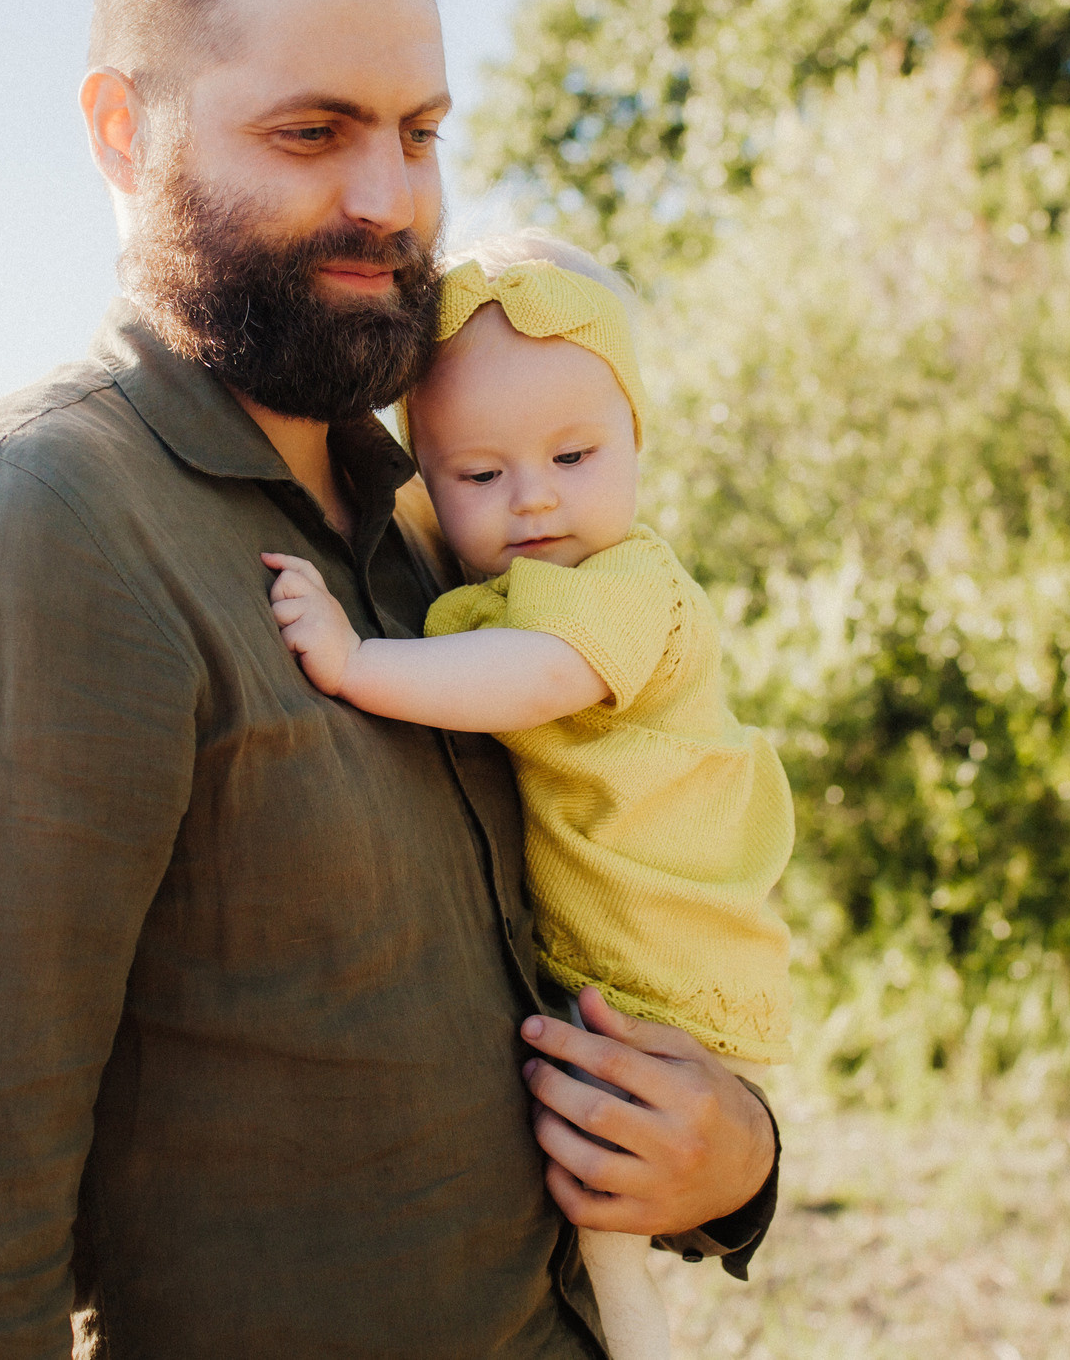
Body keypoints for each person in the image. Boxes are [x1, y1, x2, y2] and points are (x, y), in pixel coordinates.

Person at [0, 0, 778, 1358]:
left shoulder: (448, 540)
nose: (392, 198)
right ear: (125, 133)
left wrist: (731, 1157)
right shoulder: (21, 537)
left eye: (422, 134)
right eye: (312, 131)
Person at [260, 233, 795, 1360]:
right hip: (607, 954)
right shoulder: (489, 575)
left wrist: (356, 664)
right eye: (481, 474)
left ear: (637, 444)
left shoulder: (628, 586)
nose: (535, 500)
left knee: (605, 1219)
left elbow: (529, 675)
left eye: (575, 456)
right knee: (591, 1218)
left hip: (663, 965)